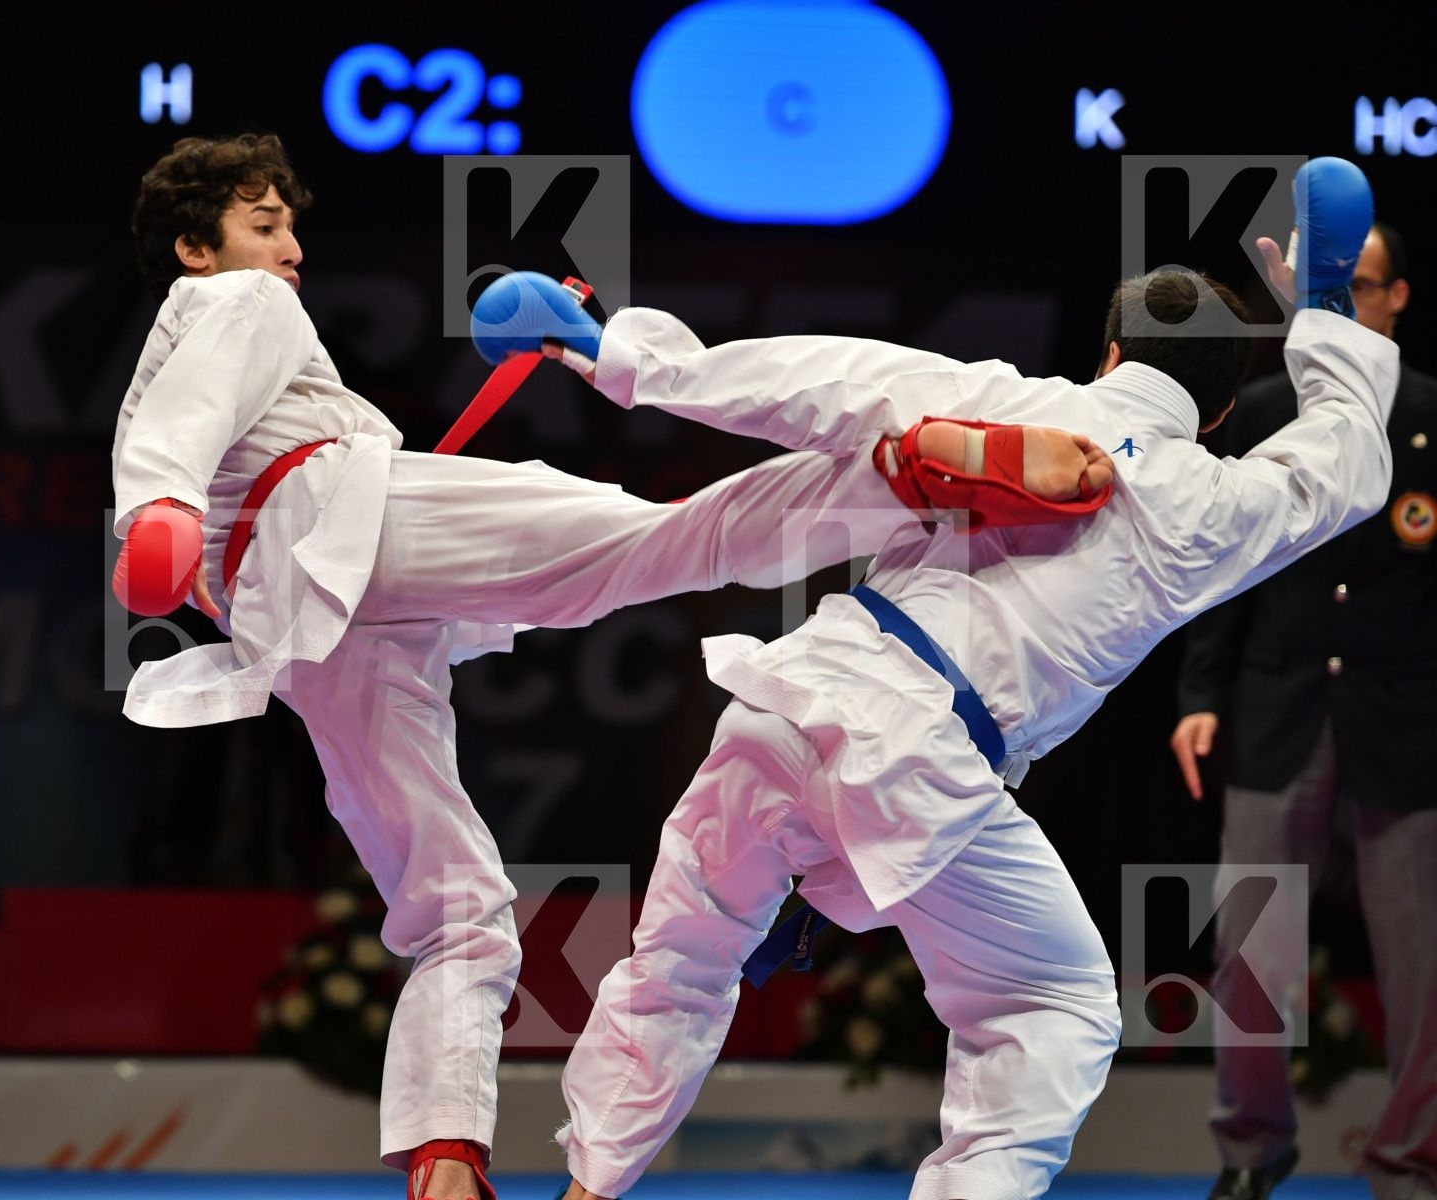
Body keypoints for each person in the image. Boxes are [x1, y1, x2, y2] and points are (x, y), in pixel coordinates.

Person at [108, 134, 1107, 1200]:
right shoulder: (230, 303)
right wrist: (157, 508)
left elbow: (183, 429)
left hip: (300, 612)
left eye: (293, 226)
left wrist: (165, 520)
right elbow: (183, 421)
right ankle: (912, 472)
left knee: (451, 903)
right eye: (266, 226)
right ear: (193, 247)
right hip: (342, 520)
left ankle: (445, 1157)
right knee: (662, 542)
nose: (292, 249)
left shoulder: (188, 345)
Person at [535, 159, 1395, 1200]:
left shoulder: (1011, 400)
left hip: (791, 697)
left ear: (1111, 355)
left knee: (679, 962)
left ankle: (585, 1189)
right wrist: (1323, 311)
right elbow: (1343, 465)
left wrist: (619, 355)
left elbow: (820, 382)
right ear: (1218, 415)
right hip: (924, 759)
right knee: (1055, 1005)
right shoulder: (1210, 503)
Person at [1171, 222, 1436, 1200]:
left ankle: (1413, 1159)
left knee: (1424, 973)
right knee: (1250, 957)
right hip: (1277, 712)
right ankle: (1250, 1148)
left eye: (1360, 288)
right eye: (1329, 290)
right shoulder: (1266, 411)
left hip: (1407, 728)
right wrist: (1199, 697)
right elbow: (1220, 565)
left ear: (1397, 298)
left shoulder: (1431, 418)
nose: (1345, 307)